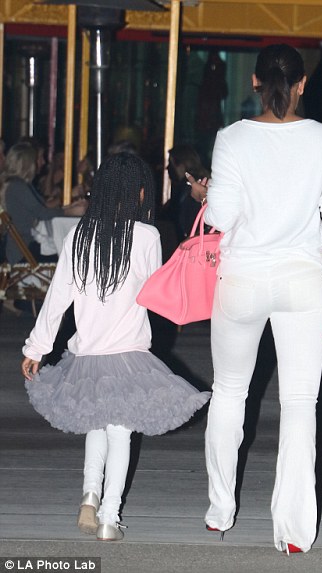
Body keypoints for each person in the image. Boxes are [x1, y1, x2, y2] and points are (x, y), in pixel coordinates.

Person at [187, 43, 322, 554]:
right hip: (305, 284)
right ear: (303, 84)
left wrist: (203, 195)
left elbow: (219, 218)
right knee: (302, 402)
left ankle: (220, 509)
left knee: (230, 391)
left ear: (255, 82)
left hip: (242, 281)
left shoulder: (232, 138)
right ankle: (294, 531)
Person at [21, 153, 210, 542]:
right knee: (121, 432)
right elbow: (151, 294)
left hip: (87, 354)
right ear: (141, 191)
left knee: (95, 422)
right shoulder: (146, 236)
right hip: (128, 353)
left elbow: (57, 297)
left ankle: (88, 496)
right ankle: (109, 516)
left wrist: (36, 347)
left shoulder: (78, 235)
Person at [0, 142, 86, 264]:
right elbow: (42, 213)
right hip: (24, 248)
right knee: (69, 254)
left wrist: (69, 207)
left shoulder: (19, 185)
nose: (41, 163)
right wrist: (69, 211)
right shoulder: (17, 186)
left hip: (24, 245)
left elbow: (42, 207)